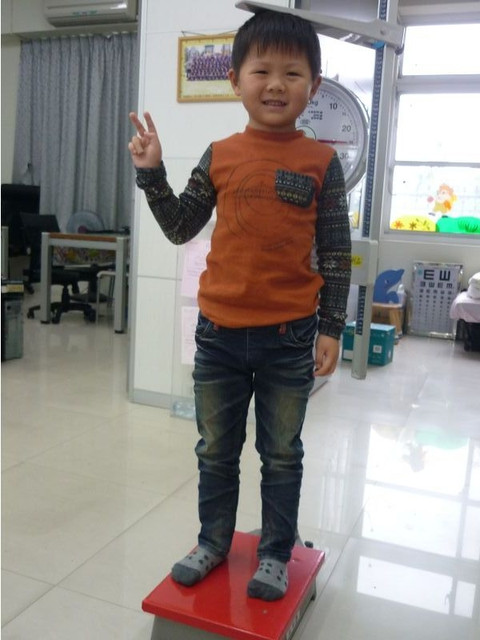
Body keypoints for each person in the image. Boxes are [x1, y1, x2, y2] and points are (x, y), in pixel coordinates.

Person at [128, 8, 351, 602]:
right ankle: (213, 542)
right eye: (262, 71)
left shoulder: (322, 163)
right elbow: (181, 226)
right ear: (235, 80)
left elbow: (336, 253)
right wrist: (152, 173)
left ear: (313, 86)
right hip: (218, 335)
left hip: (289, 339)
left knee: (281, 453)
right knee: (215, 450)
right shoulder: (220, 153)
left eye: (292, 74)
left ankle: (276, 552)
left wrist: (332, 328)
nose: (276, 85)